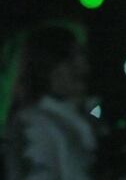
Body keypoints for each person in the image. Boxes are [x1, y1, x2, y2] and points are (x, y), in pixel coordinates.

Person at [3, 25, 98, 180]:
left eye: (82, 57)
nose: (83, 68)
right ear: (48, 67)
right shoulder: (34, 123)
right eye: (71, 59)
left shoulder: (79, 116)